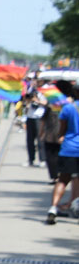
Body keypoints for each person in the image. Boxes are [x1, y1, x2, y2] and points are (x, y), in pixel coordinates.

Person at [47, 79, 79, 225]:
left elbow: (62, 130)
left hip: (69, 148)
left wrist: (61, 137)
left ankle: (53, 208)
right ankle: (74, 207)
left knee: (62, 180)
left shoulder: (67, 108)